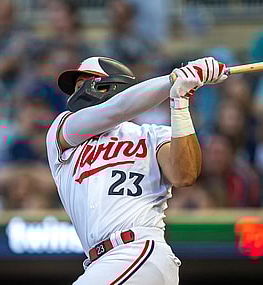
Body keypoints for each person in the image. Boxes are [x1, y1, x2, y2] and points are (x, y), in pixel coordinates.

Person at [46, 56, 226, 285]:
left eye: (83, 84)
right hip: (100, 262)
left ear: (110, 84)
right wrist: (172, 79)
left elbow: (184, 175)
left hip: (139, 251)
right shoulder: (63, 134)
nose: (75, 93)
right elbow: (116, 109)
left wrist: (180, 102)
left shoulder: (151, 134)